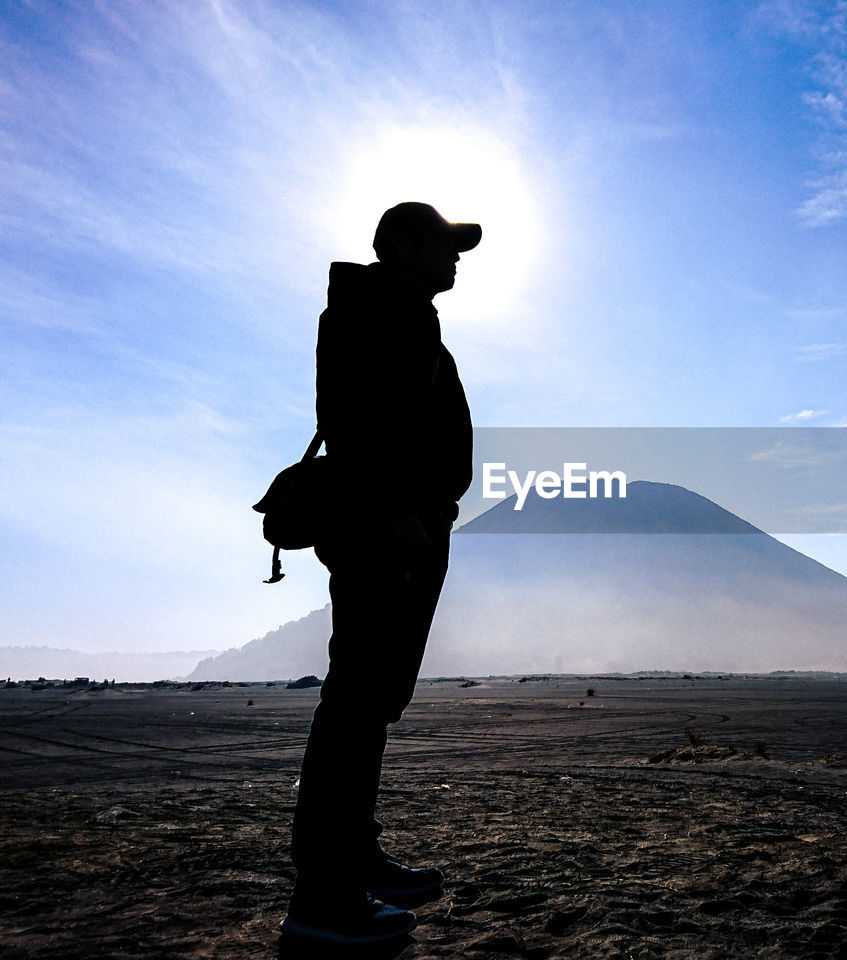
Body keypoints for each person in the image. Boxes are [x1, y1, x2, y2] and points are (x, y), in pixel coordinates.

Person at [282, 202, 480, 945]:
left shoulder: (412, 319)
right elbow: (354, 417)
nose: (455, 257)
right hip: (382, 529)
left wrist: (433, 513)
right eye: (443, 244)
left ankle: (354, 860)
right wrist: (400, 508)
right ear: (400, 245)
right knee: (356, 701)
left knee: (371, 702)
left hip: (411, 527)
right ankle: (324, 898)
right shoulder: (368, 312)